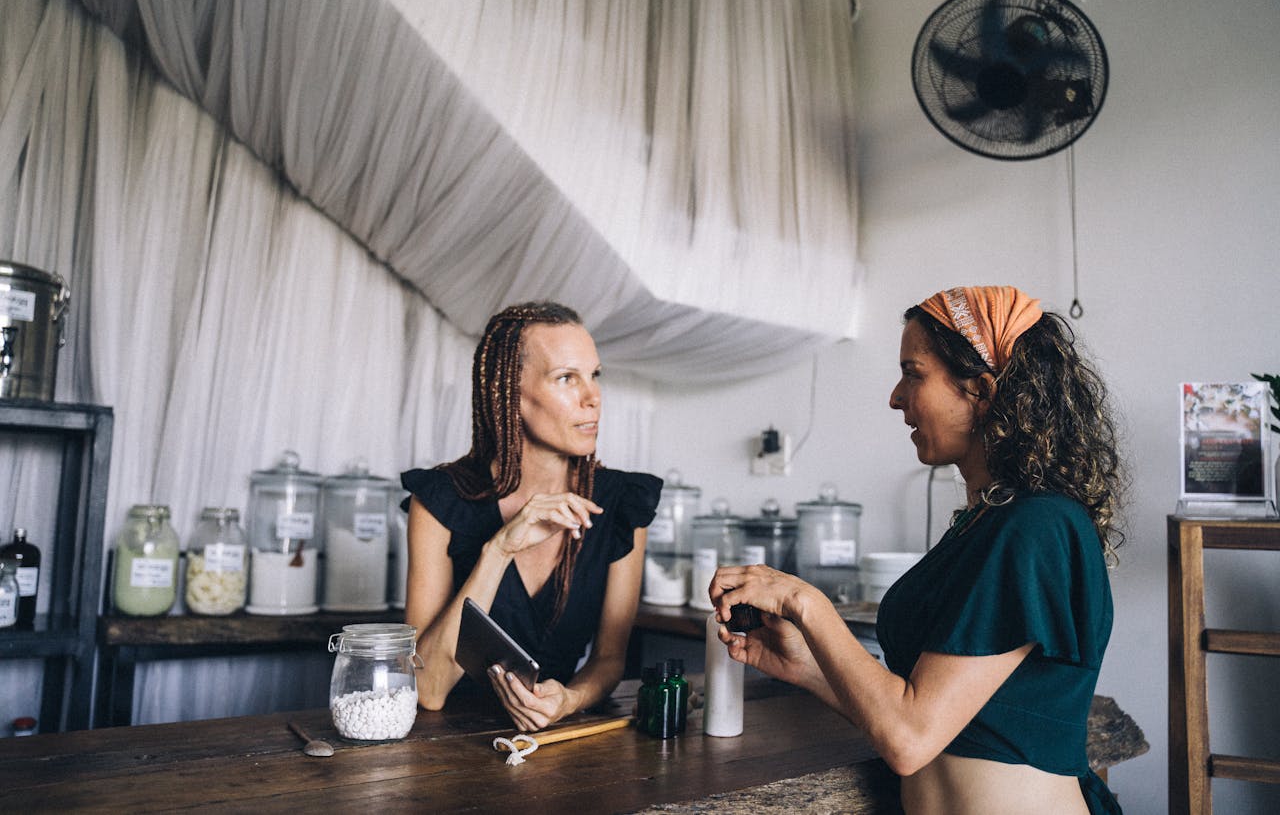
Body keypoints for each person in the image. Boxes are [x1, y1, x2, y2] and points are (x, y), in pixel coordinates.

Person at [709, 286, 1125, 814]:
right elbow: (923, 716)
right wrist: (806, 667)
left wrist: (803, 602)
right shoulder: (988, 524)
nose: (895, 396)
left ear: (981, 390)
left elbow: (909, 739)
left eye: (913, 372)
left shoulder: (1038, 525)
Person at [402, 302, 661, 731]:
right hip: (447, 747)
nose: (592, 397)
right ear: (510, 395)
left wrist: (569, 700)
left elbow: (609, 659)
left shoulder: (621, 502)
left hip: (560, 740)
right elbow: (427, 690)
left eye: (595, 375)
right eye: (566, 378)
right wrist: (499, 548)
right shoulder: (440, 500)